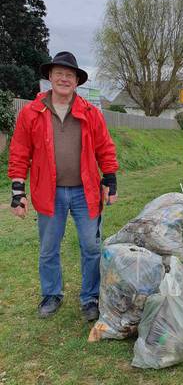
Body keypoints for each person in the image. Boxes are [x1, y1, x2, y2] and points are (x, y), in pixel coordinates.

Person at [8, 51, 119, 321]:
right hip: (49, 193)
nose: (64, 79)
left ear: (77, 81)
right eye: (59, 73)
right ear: (50, 76)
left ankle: (90, 298)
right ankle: (51, 294)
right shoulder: (32, 113)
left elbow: (105, 148)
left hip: (86, 192)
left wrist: (110, 179)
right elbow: (19, 151)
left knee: (91, 248)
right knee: (48, 248)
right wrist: (17, 191)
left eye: (70, 75)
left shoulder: (90, 113)